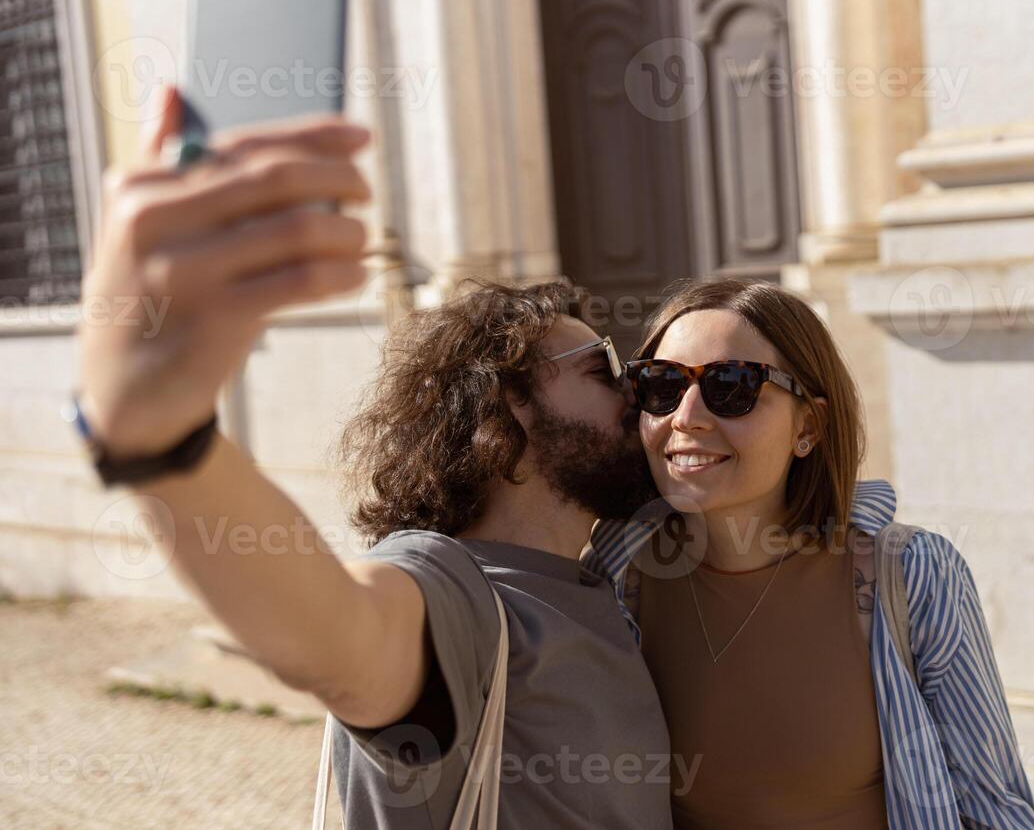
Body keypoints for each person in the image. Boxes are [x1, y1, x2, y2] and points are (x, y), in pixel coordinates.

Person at [72, 85, 674, 829]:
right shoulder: (456, 591)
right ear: (513, 403)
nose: (638, 396)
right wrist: (160, 442)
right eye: (602, 370)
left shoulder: (606, 577)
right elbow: (336, 636)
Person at [586, 278, 1034, 830]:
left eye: (732, 387)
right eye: (661, 386)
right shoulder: (613, 580)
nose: (686, 417)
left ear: (808, 425)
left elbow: (994, 810)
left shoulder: (909, 575)